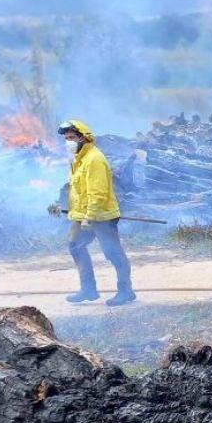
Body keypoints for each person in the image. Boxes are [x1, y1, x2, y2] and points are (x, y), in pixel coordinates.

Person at [49, 119, 136, 306]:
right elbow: (76, 189)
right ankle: (88, 289)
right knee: (75, 246)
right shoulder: (78, 160)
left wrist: (90, 217)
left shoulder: (94, 159)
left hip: (101, 216)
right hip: (82, 216)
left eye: (71, 137)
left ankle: (126, 290)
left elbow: (98, 193)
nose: (68, 142)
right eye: (66, 138)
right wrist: (60, 203)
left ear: (83, 138)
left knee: (112, 252)